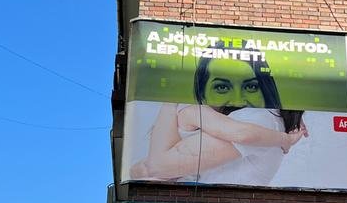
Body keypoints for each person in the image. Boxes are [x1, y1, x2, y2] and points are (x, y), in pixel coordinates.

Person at [129, 46, 307, 185]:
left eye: (250, 86)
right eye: (222, 87)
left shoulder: (259, 118)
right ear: (202, 91)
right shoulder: (193, 111)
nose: (236, 98)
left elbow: (150, 167)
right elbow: (151, 167)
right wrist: (285, 139)